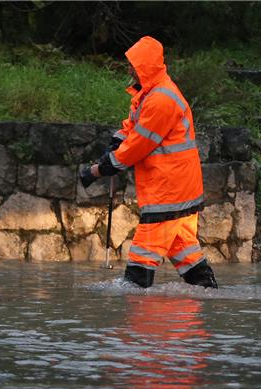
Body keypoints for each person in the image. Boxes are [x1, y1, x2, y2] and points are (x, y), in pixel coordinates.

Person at [79, 36, 217, 289]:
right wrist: (116, 141)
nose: (129, 68)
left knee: (141, 258)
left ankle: (138, 320)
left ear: (145, 65)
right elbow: (132, 127)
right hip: (176, 189)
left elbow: (139, 145)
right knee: (185, 251)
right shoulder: (150, 93)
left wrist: (101, 169)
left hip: (170, 191)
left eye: (133, 64)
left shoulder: (161, 99)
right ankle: (207, 297)